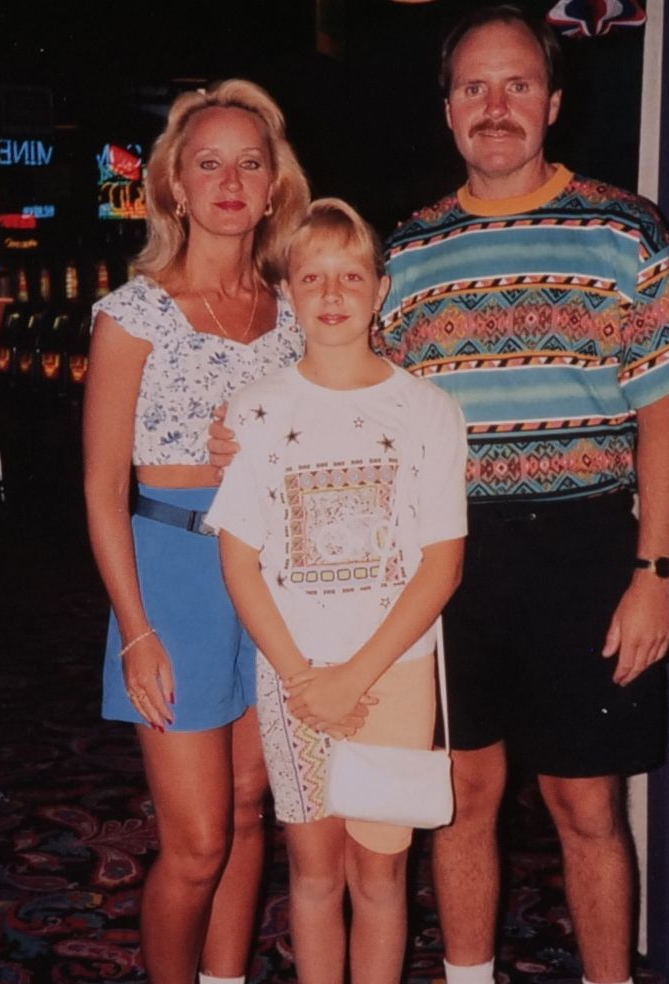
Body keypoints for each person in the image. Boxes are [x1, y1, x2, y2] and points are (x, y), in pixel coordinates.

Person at [371, 7, 669, 984]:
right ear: (447, 110)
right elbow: (365, 411)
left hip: (585, 554)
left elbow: (665, 417)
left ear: (554, 102)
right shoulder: (406, 252)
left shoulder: (625, 229)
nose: (496, 106)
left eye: (517, 84)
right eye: (474, 87)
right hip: (450, 560)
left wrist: (655, 575)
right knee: (462, 797)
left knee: (586, 806)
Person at [82, 78, 313, 984]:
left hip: (273, 574)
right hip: (174, 578)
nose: (229, 182)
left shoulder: (296, 311)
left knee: (252, 811)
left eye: (249, 163)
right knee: (198, 840)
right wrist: (135, 629)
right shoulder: (132, 313)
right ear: (174, 186)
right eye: (208, 164)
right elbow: (102, 489)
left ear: (273, 184)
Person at [204, 198, 468, 984]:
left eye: (351, 276)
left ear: (380, 290)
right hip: (294, 675)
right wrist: (302, 678)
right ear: (286, 291)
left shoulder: (427, 410)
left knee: (380, 875)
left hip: (395, 671)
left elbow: (441, 565)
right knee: (315, 872)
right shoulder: (256, 409)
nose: (331, 293)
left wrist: (354, 678)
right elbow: (239, 561)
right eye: (312, 277)